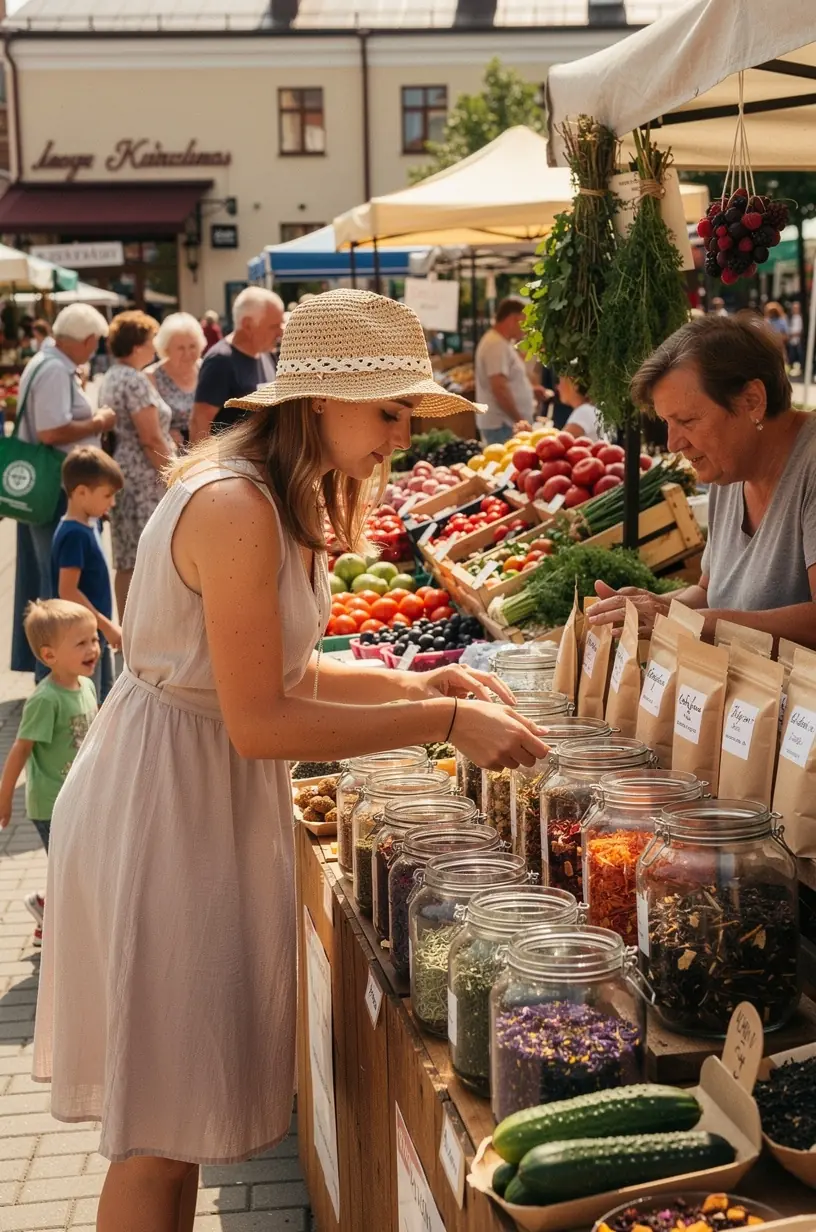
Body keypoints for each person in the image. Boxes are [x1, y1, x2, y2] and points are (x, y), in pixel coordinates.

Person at [32, 289, 549, 1232]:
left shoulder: (272, 495)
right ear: (321, 402)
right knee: (153, 1140)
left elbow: (290, 667)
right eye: (388, 410)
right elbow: (261, 721)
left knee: (173, 1122)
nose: (401, 435)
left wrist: (418, 681)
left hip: (194, 792)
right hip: (165, 807)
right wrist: (440, 721)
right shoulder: (237, 505)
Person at [588, 315, 816, 649]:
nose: (673, 443)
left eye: (687, 420)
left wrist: (684, 622)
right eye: (667, 422)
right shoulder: (729, 468)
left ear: (752, 401)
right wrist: (652, 607)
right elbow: (709, 593)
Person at [10, 304, 116, 679]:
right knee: (57, 587)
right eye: (94, 342)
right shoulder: (55, 369)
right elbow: (51, 432)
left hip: (45, 490)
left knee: (44, 579)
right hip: (56, 490)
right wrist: (99, 421)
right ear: (85, 340)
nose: (95, 348)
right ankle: (58, 679)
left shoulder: (47, 362)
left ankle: (53, 674)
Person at [0, 599, 98, 948]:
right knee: (70, 868)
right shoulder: (45, 700)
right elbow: (20, 749)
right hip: (51, 804)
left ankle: (49, 907)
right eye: (81, 642)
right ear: (49, 655)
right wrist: (5, 797)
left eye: (94, 639)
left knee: (82, 865)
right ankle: (50, 914)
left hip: (79, 797)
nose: (93, 649)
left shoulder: (86, 686)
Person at [99, 311, 176, 619]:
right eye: (150, 341)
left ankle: (128, 630)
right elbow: (150, 438)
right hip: (144, 477)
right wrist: (174, 474)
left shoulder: (113, 375)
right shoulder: (133, 380)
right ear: (136, 346)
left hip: (125, 473)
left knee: (127, 558)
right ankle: (145, 628)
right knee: (147, 557)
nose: (154, 347)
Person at [52, 447, 124, 703]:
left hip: (93, 635)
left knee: (103, 700)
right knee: (88, 704)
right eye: (107, 495)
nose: (112, 503)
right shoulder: (74, 534)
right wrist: (108, 626)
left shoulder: (87, 526)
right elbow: (67, 590)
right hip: (81, 639)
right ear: (82, 492)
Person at [189, 288, 284, 441]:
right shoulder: (220, 361)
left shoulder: (267, 354)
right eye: (274, 326)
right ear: (248, 325)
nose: (280, 332)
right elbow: (199, 423)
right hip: (230, 455)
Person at [474, 296, 545, 445]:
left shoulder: (501, 343)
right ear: (513, 319)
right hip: (503, 425)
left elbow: (506, 381)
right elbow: (499, 388)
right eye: (524, 322)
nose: (525, 329)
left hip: (506, 425)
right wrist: (520, 420)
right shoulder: (495, 344)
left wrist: (531, 391)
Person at [147, 312, 206, 446]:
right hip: (169, 450)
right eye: (180, 348)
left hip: (204, 446)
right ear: (166, 349)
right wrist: (165, 433)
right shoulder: (151, 376)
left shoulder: (206, 369)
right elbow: (146, 426)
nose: (187, 353)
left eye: (192, 346)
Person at [558, 373, 605, 442]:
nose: (558, 387)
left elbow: (558, 443)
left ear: (575, 384)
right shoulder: (590, 409)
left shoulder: (583, 411)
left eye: (561, 382)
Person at [788, 300, 804, 371]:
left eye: (796, 308)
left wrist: (793, 334)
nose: (794, 309)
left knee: (799, 355)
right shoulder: (790, 317)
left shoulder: (800, 317)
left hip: (798, 339)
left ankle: (801, 368)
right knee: (791, 355)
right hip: (791, 340)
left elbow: (800, 330)